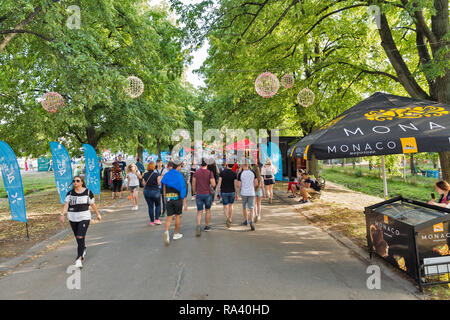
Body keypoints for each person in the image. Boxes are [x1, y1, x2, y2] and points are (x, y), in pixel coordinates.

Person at [60, 176, 101, 268]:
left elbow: (92, 204)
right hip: (72, 218)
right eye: (74, 181)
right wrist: (62, 214)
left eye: (77, 181)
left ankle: (79, 259)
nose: (75, 182)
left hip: (84, 217)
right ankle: (83, 249)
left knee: (80, 236)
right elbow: (66, 205)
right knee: (78, 238)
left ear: (82, 182)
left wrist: (98, 214)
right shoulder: (70, 193)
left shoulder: (88, 192)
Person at [161, 161, 188, 245]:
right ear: (178, 167)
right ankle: (176, 234)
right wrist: (184, 203)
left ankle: (166, 232)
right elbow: (183, 189)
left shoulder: (167, 174)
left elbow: (163, 187)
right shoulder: (180, 176)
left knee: (169, 217)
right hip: (177, 198)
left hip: (168, 198)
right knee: (178, 216)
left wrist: (165, 198)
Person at [192, 159, 216, 236]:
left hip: (199, 194)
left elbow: (193, 183)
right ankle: (206, 226)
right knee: (208, 210)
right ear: (207, 165)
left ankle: (198, 226)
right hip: (207, 194)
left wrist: (194, 193)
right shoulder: (210, 173)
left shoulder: (196, 172)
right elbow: (213, 184)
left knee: (199, 211)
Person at [236, 161, 258, 231]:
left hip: (244, 192)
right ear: (248, 165)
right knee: (252, 208)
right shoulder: (253, 173)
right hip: (251, 192)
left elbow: (238, 185)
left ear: (242, 166)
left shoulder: (240, 174)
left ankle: (245, 221)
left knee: (244, 207)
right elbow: (256, 183)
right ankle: (251, 221)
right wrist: (251, 187)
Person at [216, 162, 238, 228]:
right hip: (232, 191)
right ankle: (230, 219)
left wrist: (218, 191)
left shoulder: (222, 173)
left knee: (225, 206)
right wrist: (236, 193)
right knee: (231, 206)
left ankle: (227, 218)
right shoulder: (234, 174)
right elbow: (236, 184)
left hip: (224, 191)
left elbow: (219, 182)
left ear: (227, 165)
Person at [142, 162, 162, 226]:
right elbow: (159, 183)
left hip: (147, 192)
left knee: (150, 207)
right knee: (158, 205)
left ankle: (152, 221)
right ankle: (157, 219)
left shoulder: (144, 174)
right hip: (155, 192)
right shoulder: (156, 174)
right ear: (154, 167)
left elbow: (143, 184)